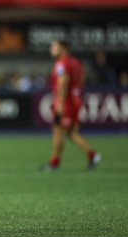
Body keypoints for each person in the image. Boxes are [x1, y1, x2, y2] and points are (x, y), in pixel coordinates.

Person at [41, 40, 100, 172]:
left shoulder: (61, 63)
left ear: (63, 49)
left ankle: (54, 162)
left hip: (65, 101)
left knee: (57, 130)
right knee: (71, 132)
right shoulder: (76, 63)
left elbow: (63, 81)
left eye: (54, 47)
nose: (51, 49)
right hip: (75, 100)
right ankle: (92, 154)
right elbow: (81, 80)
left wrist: (60, 103)